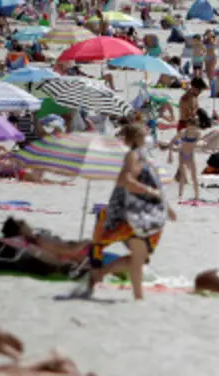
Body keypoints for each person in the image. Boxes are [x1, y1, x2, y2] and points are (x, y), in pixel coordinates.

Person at [72, 124, 175, 300]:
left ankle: (102, 276)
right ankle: (137, 296)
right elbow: (125, 179)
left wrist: (167, 206)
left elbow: (151, 184)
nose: (148, 135)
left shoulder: (143, 156)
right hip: (131, 213)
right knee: (139, 257)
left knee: (139, 258)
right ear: (136, 138)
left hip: (144, 212)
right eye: (145, 133)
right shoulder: (133, 155)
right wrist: (152, 193)